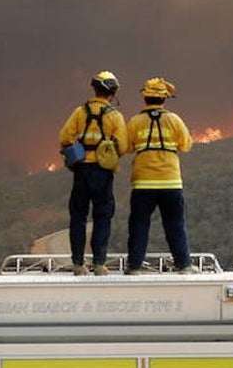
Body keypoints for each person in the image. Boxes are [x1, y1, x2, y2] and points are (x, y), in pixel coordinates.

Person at [58, 70, 128, 275]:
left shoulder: (80, 112)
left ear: (95, 89)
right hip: (103, 172)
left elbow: (65, 137)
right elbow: (123, 146)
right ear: (112, 93)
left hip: (81, 170)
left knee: (78, 216)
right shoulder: (115, 116)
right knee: (102, 216)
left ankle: (78, 264)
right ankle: (99, 264)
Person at [123, 77, 195, 274]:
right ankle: (184, 265)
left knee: (139, 224)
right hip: (170, 182)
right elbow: (186, 145)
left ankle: (134, 267)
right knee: (175, 224)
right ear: (165, 99)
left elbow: (126, 147)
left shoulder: (135, 122)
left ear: (145, 98)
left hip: (143, 183)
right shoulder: (174, 120)